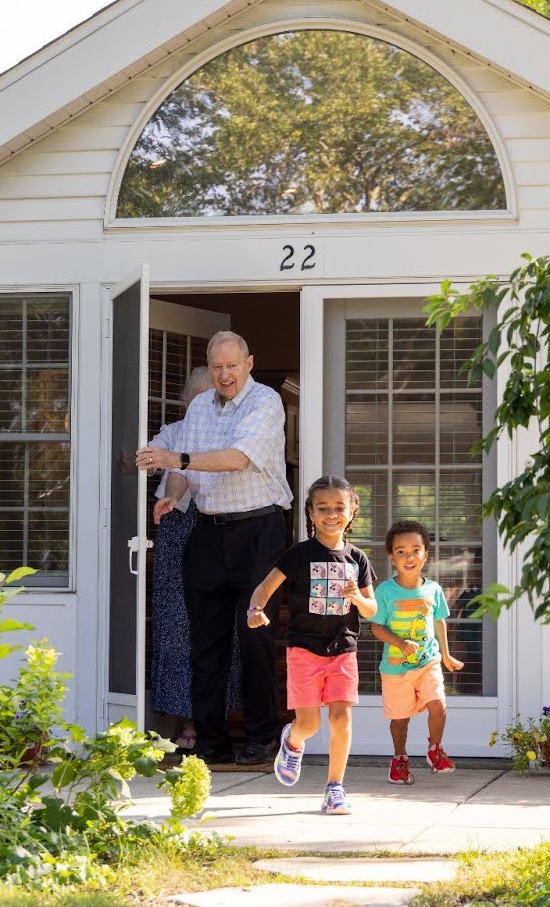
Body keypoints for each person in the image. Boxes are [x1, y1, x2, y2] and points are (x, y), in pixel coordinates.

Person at [135, 330, 292, 767]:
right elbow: (188, 458)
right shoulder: (200, 406)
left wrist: (177, 463)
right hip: (208, 531)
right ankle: (211, 741)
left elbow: (237, 458)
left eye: (232, 366)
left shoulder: (265, 403)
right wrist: (175, 493)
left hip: (257, 529)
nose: (225, 374)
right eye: (217, 366)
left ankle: (262, 737)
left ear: (249, 363)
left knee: (254, 636)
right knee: (206, 643)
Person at [246, 476, 378, 815]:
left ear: (352, 512)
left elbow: (372, 608)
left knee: (340, 718)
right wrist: (255, 610)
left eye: (339, 508)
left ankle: (335, 787)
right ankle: (292, 740)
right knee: (310, 724)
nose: (331, 514)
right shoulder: (298, 555)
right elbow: (264, 587)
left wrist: (357, 599)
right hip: (304, 648)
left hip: (343, 648)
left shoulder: (358, 559)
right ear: (311, 512)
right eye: (323, 508)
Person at [145, 366, 235, 751]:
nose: (203, 403)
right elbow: (167, 466)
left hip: (218, 526)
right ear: (186, 401)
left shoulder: (231, 432)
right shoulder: (173, 433)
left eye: (210, 395)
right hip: (177, 527)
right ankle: (184, 721)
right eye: (195, 397)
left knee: (216, 625)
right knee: (176, 627)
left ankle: (213, 720)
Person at [366, 520, 463, 785]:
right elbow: (376, 627)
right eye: (401, 551)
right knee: (400, 720)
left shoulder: (433, 589)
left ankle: (435, 749)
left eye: (415, 550)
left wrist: (445, 655)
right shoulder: (385, 591)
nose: (409, 557)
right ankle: (399, 759)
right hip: (396, 668)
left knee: (438, 705)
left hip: (427, 662)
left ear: (425, 554)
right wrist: (400, 643)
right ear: (391, 557)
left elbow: (439, 621)